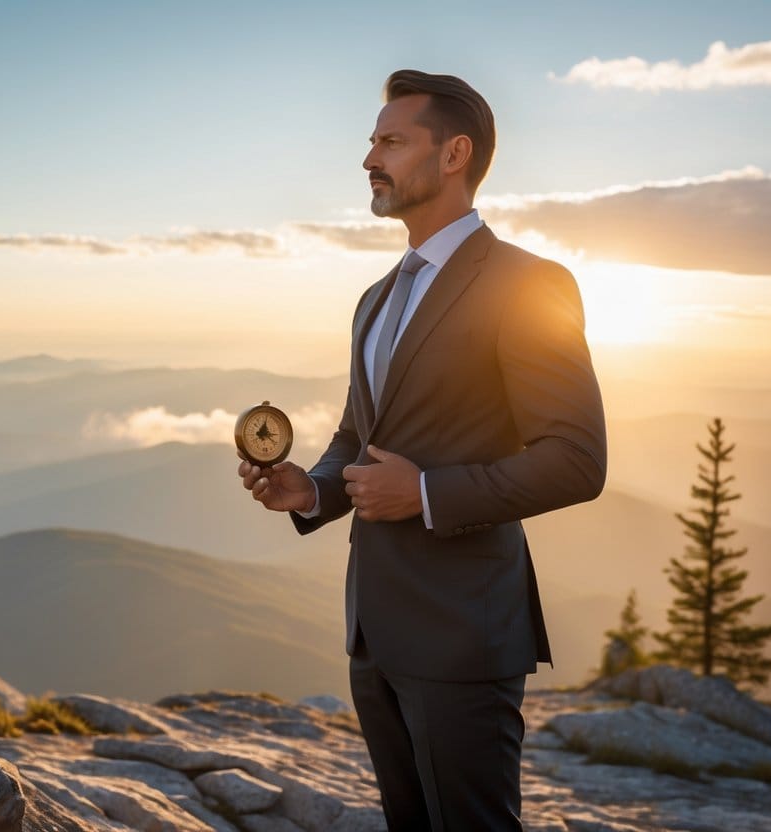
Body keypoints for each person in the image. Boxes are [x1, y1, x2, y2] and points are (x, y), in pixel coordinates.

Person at [237, 69, 607, 830]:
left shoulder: (527, 283)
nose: (369, 158)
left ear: (453, 154)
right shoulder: (376, 296)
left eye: (390, 141)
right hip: (374, 630)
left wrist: (428, 494)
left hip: (463, 632)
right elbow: (356, 439)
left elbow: (576, 458)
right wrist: (310, 491)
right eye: (372, 141)